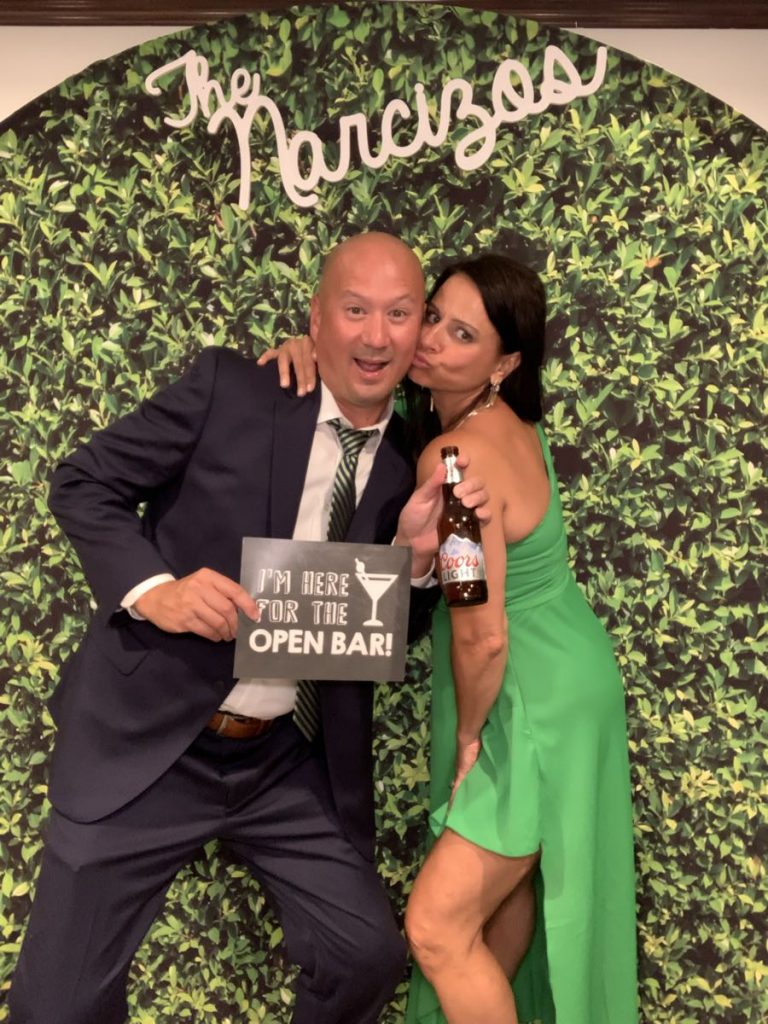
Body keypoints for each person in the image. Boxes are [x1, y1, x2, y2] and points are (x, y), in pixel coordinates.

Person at [8, 232, 491, 1024]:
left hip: (283, 764)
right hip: (152, 741)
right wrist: (152, 589)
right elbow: (82, 481)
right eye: (356, 310)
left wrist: (411, 562)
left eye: (401, 314)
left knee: (364, 953)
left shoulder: (425, 460)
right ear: (317, 317)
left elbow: (406, 624)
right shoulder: (234, 387)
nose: (377, 335)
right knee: (57, 1006)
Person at [267, 252, 638, 1024]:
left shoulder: (454, 458)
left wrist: (471, 737)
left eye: (460, 333)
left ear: (502, 363)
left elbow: (480, 633)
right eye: (431, 316)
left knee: (436, 929)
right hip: (570, 680)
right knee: (497, 916)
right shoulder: (509, 431)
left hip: (525, 701)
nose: (429, 339)